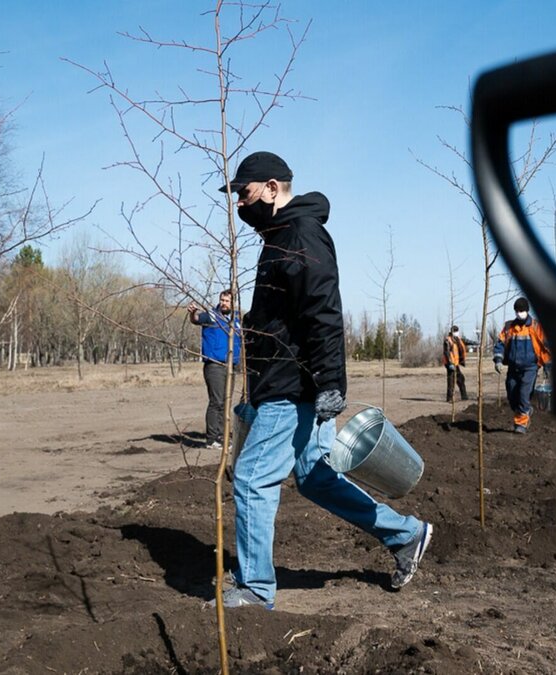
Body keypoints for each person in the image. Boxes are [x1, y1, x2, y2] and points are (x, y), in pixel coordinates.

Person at [215, 151, 432, 609]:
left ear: (272, 188)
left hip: (291, 385)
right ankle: (407, 534)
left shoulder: (299, 234)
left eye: (244, 192)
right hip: (285, 379)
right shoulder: (279, 237)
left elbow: (323, 313)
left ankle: (255, 590)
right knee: (314, 477)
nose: (239, 204)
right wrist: (250, 319)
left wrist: (332, 382)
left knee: (253, 479)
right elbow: (287, 316)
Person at [188, 290, 242, 450]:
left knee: (226, 402)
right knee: (216, 401)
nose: (224, 303)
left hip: (231, 366)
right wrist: (192, 313)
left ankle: (223, 436)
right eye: (222, 300)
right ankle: (212, 439)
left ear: (233, 303)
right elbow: (196, 319)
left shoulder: (236, 320)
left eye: (227, 301)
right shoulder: (211, 316)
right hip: (215, 365)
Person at [493, 297, 551, 433]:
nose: (519, 313)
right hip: (513, 368)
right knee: (512, 395)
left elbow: (546, 347)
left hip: (530, 367)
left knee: (524, 394)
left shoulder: (536, 327)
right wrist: (498, 360)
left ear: (527, 311)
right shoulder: (509, 327)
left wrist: (548, 365)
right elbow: (500, 344)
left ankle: (521, 424)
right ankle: (525, 410)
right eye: (517, 311)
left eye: (522, 310)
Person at [442, 325, 468, 402]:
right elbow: (446, 352)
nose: (456, 332)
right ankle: (449, 398)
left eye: (457, 331)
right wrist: (450, 363)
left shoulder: (457, 339)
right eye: (455, 331)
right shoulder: (448, 340)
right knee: (451, 380)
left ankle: (464, 396)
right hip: (450, 363)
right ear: (452, 331)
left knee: (460, 378)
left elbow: (465, 341)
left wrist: (476, 343)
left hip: (455, 363)